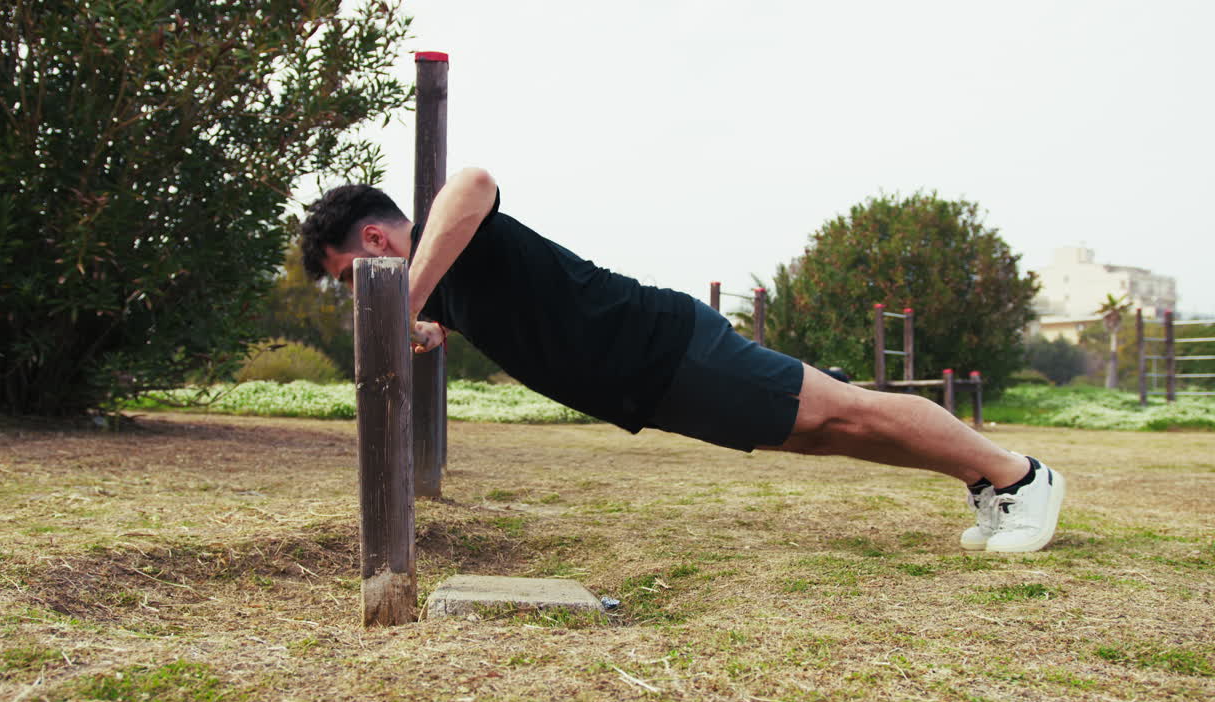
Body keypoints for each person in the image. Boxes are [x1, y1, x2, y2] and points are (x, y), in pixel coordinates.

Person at [299, 168, 1065, 553]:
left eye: (347, 276)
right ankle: (984, 482)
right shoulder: (442, 280)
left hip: (662, 347)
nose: (354, 292)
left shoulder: (442, 225)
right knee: (828, 433)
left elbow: (473, 179)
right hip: (652, 386)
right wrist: (431, 325)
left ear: (372, 242)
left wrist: (404, 302)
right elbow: (519, 310)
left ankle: (1022, 477)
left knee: (844, 408)